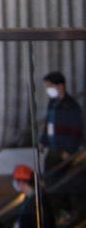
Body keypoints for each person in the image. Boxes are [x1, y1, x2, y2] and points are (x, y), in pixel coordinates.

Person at [38, 70, 83, 218]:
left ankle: (69, 210)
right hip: (53, 148)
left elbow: (77, 130)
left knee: (63, 181)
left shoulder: (71, 106)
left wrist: (69, 151)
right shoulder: (53, 103)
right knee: (49, 179)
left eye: (50, 86)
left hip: (64, 151)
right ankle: (59, 210)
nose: (48, 90)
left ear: (60, 86)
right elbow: (49, 125)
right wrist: (43, 141)